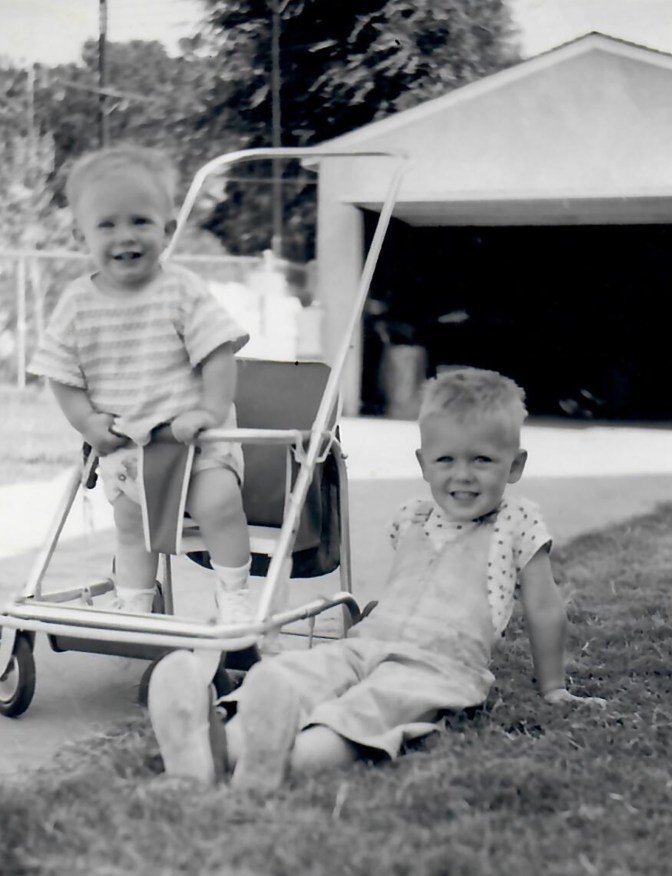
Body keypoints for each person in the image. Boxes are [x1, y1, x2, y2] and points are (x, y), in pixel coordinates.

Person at [147, 367, 605, 791]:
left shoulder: (518, 522)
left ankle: (281, 760)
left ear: (515, 466)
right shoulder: (412, 516)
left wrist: (553, 688)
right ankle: (217, 745)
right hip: (364, 645)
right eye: (446, 460)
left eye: (482, 460)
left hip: (438, 663)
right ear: (424, 463)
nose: (462, 475)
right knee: (295, 674)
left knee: (371, 709)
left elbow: (544, 609)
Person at [28, 145, 252, 622]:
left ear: (167, 230)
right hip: (127, 446)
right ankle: (134, 605)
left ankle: (233, 594)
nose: (125, 236)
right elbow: (61, 374)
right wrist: (87, 421)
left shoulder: (181, 289)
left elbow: (217, 352)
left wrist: (210, 412)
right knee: (131, 526)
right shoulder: (76, 303)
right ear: (80, 235)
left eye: (140, 222)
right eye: (107, 225)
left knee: (219, 504)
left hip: (197, 441)